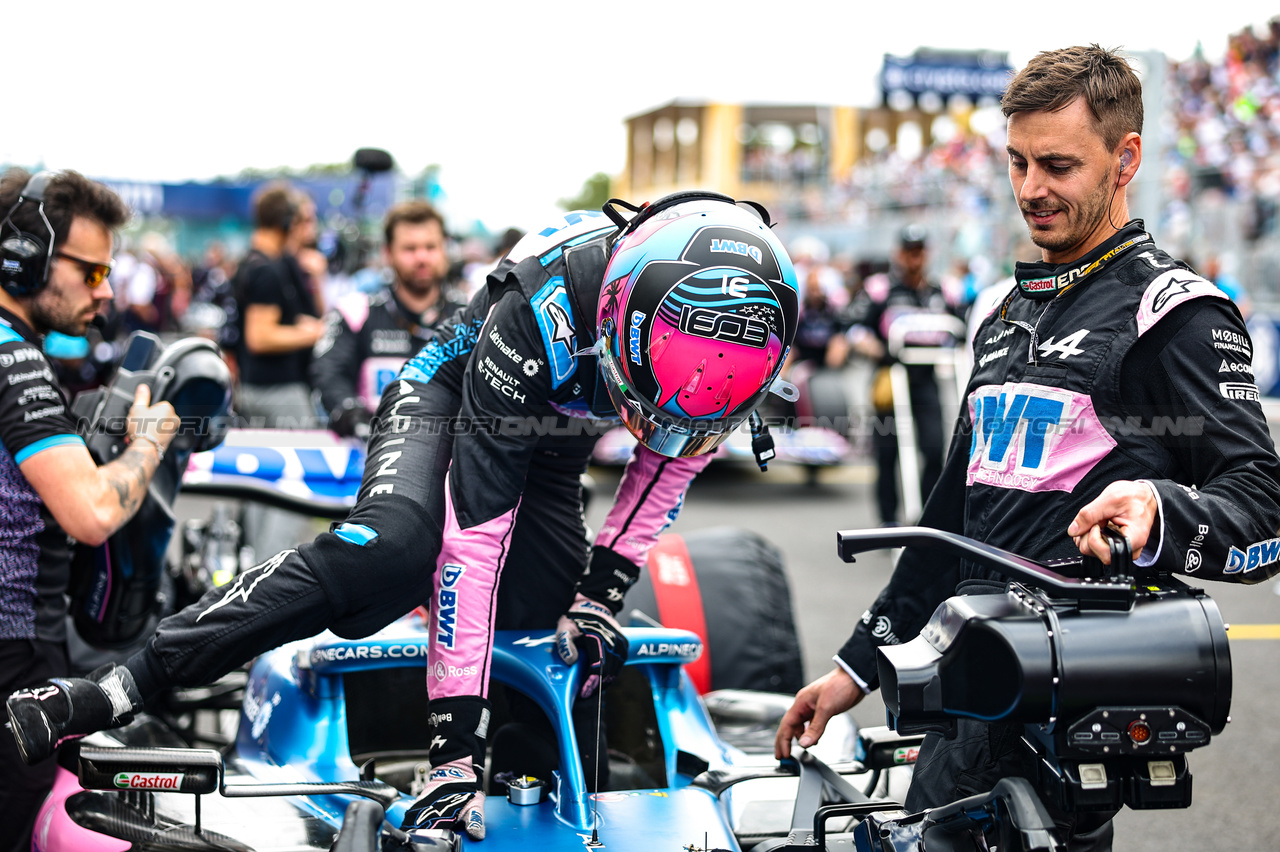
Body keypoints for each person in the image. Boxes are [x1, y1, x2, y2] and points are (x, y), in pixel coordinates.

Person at [7, 191, 800, 842]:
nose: (668, 424)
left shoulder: (735, 349)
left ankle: (531, 798)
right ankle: (112, 688)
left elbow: (666, 467)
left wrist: (600, 596)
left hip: (558, 439)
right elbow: (472, 543)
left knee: (552, 625)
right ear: (621, 316)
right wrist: (452, 748)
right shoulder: (545, 307)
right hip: (452, 393)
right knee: (391, 551)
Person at [774, 45, 1280, 851]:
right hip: (961, 697)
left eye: (1057, 164)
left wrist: (1158, 509)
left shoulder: (1175, 316)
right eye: (1017, 162)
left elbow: (1263, 510)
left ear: (1126, 160)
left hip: (1063, 733)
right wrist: (855, 668)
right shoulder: (1006, 314)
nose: (1031, 189)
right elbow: (949, 524)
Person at [0, 169, 179, 852]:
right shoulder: (15, 363)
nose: (104, 290)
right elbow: (94, 512)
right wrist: (148, 446)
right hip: (13, 654)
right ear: (23, 260)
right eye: (92, 269)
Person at [310, 200, 464, 438]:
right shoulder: (356, 311)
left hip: (449, 451)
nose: (421, 257)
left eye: (431, 247)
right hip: (373, 449)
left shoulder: (472, 314)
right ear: (388, 253)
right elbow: (329, 374)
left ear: (444, 249)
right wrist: (352, 415)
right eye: (410, 249)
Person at [843, 224, 962, 525]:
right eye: (909, 251)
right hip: (890, 379)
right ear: (898, 253)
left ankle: (925, 522)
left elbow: (961, 330)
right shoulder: (880, 289)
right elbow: (854, 329)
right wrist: (876, 349)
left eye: (919, 251)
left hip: (927, 379)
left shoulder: (941, 291)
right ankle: (888, 522)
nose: (914, 258)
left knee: (935, 449)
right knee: (887, 454)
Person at [234, 182, 325, 428]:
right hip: (276, 391)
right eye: (299, 220)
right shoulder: (266, 270)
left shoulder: (264, 263)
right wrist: (314, 333)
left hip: (265, 387)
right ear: (286, 222)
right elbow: (260, 337)